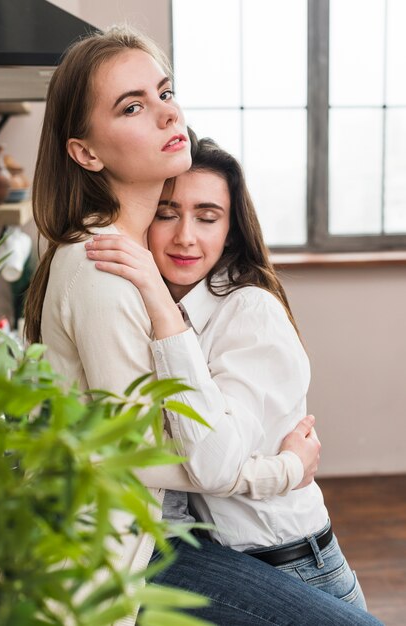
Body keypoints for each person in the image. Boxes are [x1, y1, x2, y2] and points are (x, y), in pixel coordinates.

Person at [24, 25, 382, 626]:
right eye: (133, 106)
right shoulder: (106, 267)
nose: (166, 114)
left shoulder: (133, 263)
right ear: (86, 152)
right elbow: (131, 456)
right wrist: (283, 470)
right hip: (126, 555)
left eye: (164, 93)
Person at [86, 134, 373, 615]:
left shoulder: (248, 312)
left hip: (292, 565)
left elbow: (213, 462)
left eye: (207, 216)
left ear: (231, 232)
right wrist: (282, 469)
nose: (185, 237)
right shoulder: (141, 310)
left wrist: (161, 305)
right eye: (167, 212)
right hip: (221, 565)